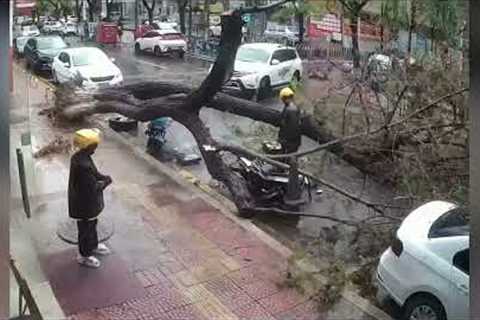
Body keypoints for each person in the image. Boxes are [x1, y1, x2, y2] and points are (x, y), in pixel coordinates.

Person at [68, 129, 112, 268]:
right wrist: (105, 182)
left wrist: (102, 177)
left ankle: (93, 245)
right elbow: (93, 188)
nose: (96, 147)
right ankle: (84, 255)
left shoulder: (80, 157)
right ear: (88, 146)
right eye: (94, 145)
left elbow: (95, 172)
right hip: (85, 205)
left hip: (85, 204)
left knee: (92, 226)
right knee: (85, 230)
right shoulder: (83, 166)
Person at [278, 87, 302, 155]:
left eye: (282, 99)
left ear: (284, 98)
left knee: (287, 157)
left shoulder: (290, 109)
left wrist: (282, 139)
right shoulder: (295, 107)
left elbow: (288, 126)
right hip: (295, 141)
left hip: (289, 141)